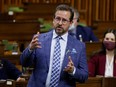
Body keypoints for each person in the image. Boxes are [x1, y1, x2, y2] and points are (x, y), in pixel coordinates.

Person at [20, 4, 88, 87]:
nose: (60, 23)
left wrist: (73, 70)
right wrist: (30, 49)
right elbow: (24, 63)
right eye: (58, 19)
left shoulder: (79, 46)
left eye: (64, 20)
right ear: (53, 20)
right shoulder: (39, 39)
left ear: (70, 23)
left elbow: (84, 76)